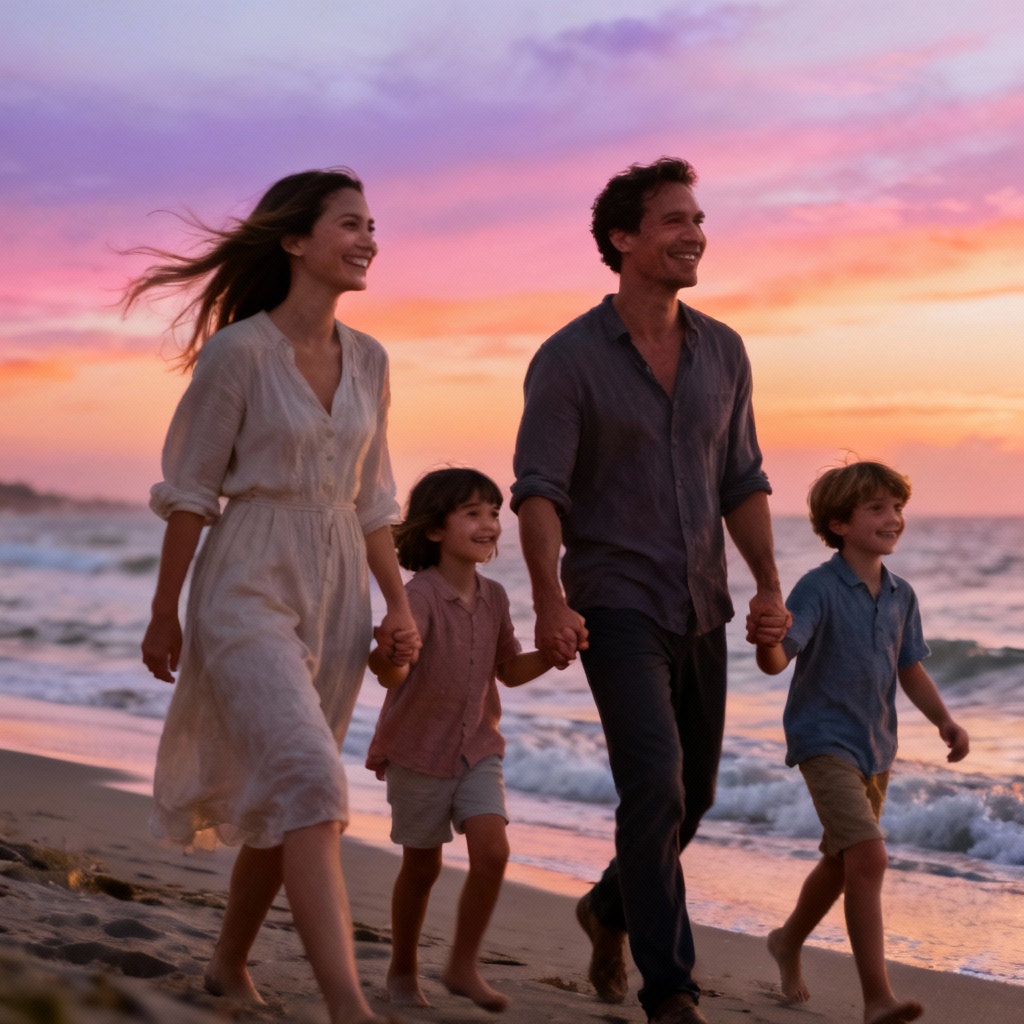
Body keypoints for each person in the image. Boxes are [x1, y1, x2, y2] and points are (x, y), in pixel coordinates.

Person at [124, 168, 419, 1024]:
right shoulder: (238, 353)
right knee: (313, 786)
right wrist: (163, 610)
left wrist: (397, 604)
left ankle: (227, 964)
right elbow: (190, 490)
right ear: (295, 241)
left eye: (373, 226)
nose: (369, 240)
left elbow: (373, 499)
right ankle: (348, 1008)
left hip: (337, 595)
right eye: (351, 225)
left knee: (292, 791)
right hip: (248, 577)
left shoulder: (370, 359)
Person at [510, 157, 789, 1024]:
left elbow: (741, 478)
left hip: (700, 601)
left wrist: (769, 588)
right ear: (622, 239)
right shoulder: (568, 359)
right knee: (656, 784)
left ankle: (607, 906)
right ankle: (670, 989)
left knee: (694, 795)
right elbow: (540, 489)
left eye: (698, 218)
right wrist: (549, 600)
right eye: (673, 219)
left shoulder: (726, 350)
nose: (694, 233)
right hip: (615, 601)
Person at [749, 461, 969, 1024]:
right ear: (840, 522)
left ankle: (786, 940)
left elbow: (910, 668)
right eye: (877, 508)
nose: (893, 518)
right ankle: (877, 999)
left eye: (897, 508)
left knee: (843, 860)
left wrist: (945, 721)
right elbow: (780, 659)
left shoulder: (901, 593)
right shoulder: (819, 587)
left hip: (876, 748)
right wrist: (766, 642)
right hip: (823, 741)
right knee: (869, 857)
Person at [365, 467, 558, 1013]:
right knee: (422, 867)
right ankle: (402, 970)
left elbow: (509, 671)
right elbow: (391, 676)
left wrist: (554, 654)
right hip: (418, 753)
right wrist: (388, 655)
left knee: (493, 851)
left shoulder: (495, 596)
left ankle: (462, 964)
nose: (490, 523)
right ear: (433, 530)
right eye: (473, 513)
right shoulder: (417, 597)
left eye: (494, 513)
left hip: (478, 748)